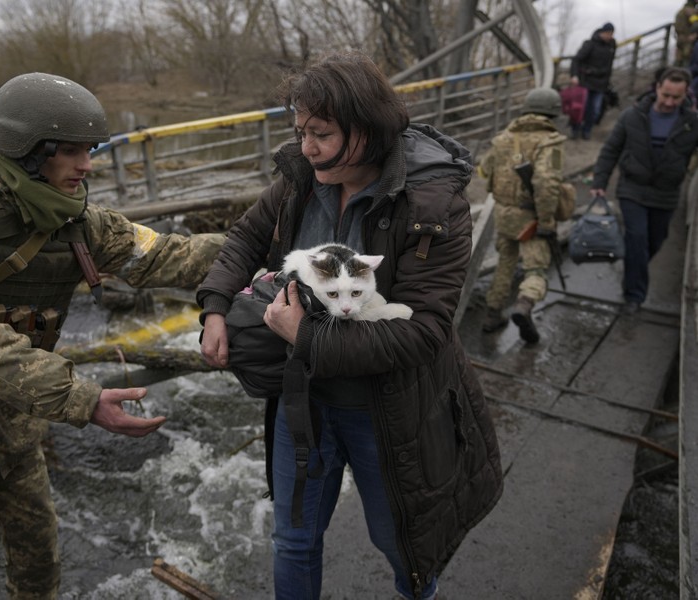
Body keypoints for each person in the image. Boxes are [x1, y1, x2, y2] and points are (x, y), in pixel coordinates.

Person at [0, 72, 225, 598]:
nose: (88, 165)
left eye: (89, 150)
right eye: (70, 152)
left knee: (39, 558)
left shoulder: (79, 221)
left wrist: (270, 243)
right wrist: (82, 398)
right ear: (28, 150)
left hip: (6, 421)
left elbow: (168, 256)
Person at [197, 52, 503, 600]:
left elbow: (425, 329)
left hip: (388, 410)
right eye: (300, 131)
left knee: (403, 544)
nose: (306, 147)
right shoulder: (299, 180)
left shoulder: (433, 205)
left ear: (366, 129)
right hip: (305, 399)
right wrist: (216, 306)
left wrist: (307, 335)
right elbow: (244, 239)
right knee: (292, 540)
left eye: (321, 133)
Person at [590, 67, 698, 314]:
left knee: (655, 241)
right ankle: (634, 296)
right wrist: (599, 182)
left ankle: (633, 270)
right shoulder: (633, 116)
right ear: (657, 87)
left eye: (676, 98)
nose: (670, 102)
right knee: (637, 237)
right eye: (666, 95)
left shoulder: (691, 123)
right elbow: (611, 150)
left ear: (685, 95)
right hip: (633, 188)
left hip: (666, 193)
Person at [477, 87, 567, 344]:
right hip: (532, 217)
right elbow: (547, 184)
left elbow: (484, 172)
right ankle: (524, 305)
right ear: (553, 113)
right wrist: (547, 222)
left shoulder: (502, 139)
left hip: (504, 215)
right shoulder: (551, 142)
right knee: (536, 267)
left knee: (505, 262)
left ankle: (493, 314)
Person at [570, 22, 617, 140]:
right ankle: (575, 129)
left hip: (601, 83)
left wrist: (607, 81)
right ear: (602, 32)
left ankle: (587, 130)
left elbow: (609, 65)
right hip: (586, 81)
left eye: (611, 34)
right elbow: (577, 60)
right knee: (581, 107)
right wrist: (575, 75)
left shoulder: (611, 47)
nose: (609, 36)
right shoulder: (590, 44)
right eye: (607, 33)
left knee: (595, 110)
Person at [675, 0, 698, 67]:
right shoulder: (691, 11)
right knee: (687, 60)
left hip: (680, 38)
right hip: (688, 39)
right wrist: (694, 35)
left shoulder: (681, 11)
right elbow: (696, 24)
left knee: (679, 60)